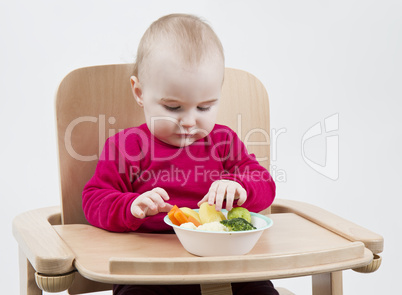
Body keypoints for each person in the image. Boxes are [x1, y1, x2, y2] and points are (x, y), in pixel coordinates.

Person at [82, 13, 278, 295]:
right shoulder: (127, 146)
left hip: (226, 263)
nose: (189, 121)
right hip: (148, 270)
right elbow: (94, 199)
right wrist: (131, 205)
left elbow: (264, 184)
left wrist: (241, 187)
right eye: (173, 108)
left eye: (205, 107)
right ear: (139, 92)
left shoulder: (224, 141)